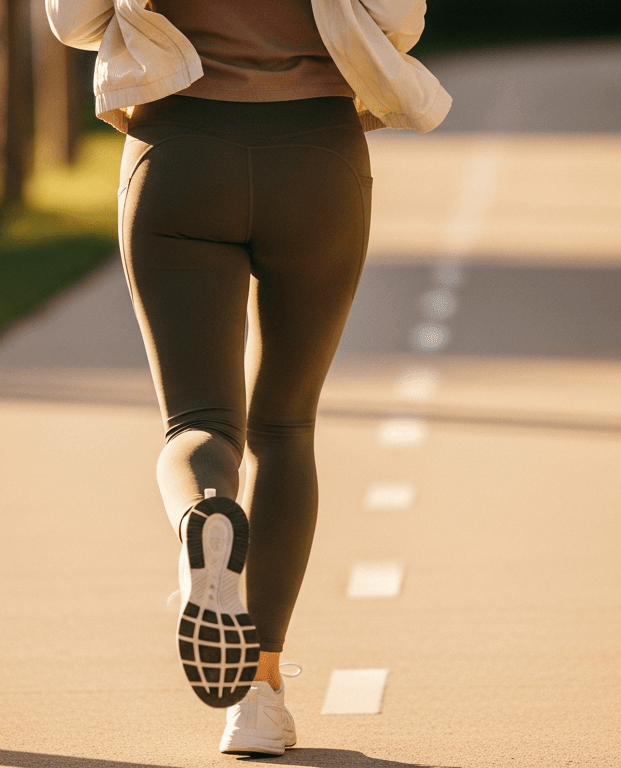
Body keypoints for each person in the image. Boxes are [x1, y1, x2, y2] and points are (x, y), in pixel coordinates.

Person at [46, 0, 450, 756]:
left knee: (197, 424)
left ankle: (207, 514)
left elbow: (72, 20)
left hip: (178, 151)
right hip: (317, 159)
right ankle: (259, 698)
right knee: (286, 426)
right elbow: (400, 21)